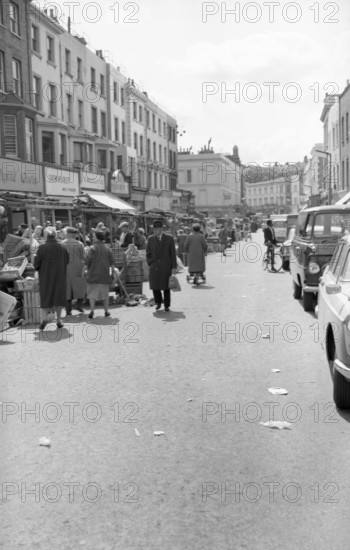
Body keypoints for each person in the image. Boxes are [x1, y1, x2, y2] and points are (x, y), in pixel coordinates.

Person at [34, 227, 69, 330]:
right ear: (55, 235)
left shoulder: (42, 247)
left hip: (46, 277)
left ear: (46, 236)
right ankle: (58, 320)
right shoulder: (62, 246)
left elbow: (36, 264)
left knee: (45, 297)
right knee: (59, 298)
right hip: (60, 277)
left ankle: (44, 319)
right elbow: (67, 261)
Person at [146, 219, 177, 312]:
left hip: (165, 266)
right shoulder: (150, 239)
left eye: (157, 229)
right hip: (154, 267)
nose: (155, 231)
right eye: (154, 229)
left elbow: (173, 254)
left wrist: (174, 267)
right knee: (155, 286)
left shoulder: (169, 238)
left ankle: (167, 305)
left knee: (166, 287)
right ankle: (158, 302)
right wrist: (150, 262)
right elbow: (148, 253)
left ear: (161, 229)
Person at [85, 229, 115, 318]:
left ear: (98, 238)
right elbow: (112, 264)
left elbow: (87, 262)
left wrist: (83, 272)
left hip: (93, 275)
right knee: (105, 295)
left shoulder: (92, 249)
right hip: (104, 275)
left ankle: (92, 311)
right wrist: (112, 274)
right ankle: (106, 311)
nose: (92, 237)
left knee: (92, 295)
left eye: (94, 236)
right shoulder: (108, 249)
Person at [62, 227, 86, 316]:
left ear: (67, 234)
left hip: (66, 268)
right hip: (78, 268)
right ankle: (78, 304)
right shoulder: (79, 244)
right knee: (80, 287)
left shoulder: (62, 244)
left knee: (67, 289)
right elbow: (84, 257)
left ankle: (68, 310)